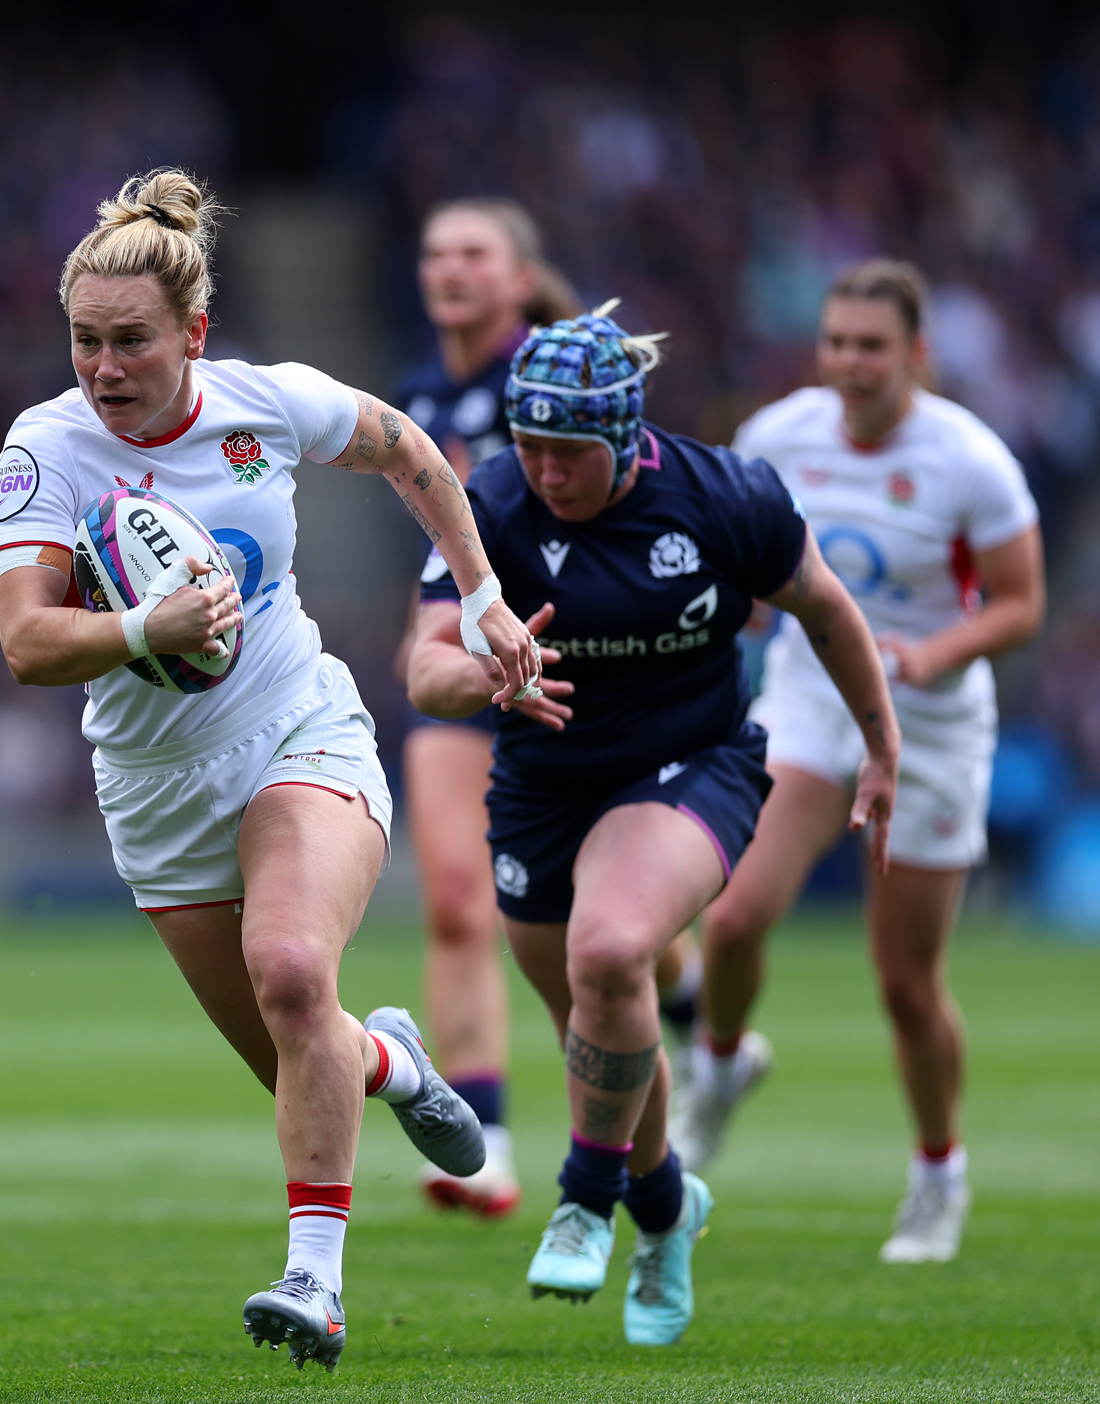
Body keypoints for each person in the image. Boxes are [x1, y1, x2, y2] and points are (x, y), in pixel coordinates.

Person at [0, 168, 544, 1372]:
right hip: (152, 790)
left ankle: (313, 1284)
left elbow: (411, 453)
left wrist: (483, 597)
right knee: (304, 1048)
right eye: (82, 341)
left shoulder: (268, 405)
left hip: (297, 728)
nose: (101, 367)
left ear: (192, 333)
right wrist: (148, 631)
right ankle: (390, 1054)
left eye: (129, 341)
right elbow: (27, 642)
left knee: (292, 969)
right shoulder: (44, 448)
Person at [409, 302, 899, 1346]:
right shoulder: (488, 501)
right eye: (529, 445)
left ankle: (585, 1198)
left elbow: (824, 609)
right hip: (542, 789)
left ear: (625, 436)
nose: (543, 470)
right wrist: (486, 670)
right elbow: (420, 668)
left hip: (695, 764)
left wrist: (881, 745)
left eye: (567, 452)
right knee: (601, 1020)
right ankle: (668, 1211)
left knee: (614, 945)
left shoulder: (724, 496)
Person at [678, 261, 1045, 1265]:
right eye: (834, 340)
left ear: (914, 354)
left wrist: (932, 652)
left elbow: (1019, 602)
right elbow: (738, 562)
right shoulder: (777, 434)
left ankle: (937, 1175)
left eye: (868, 345)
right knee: (738, 912)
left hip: (929, 719)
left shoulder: (969, 460)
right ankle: (715, 1068)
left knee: (903, 982)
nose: (846, 361)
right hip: (810, 694)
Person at [392, 198, 578, 1219]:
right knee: (458, 899)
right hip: (461, 669)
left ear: (518, 277)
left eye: (471, 252)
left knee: (595, 908)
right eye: (432, 253)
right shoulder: (421, 389)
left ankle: (679, 1004)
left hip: (562, 650)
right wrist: (415, 629)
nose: (447, 269)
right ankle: (485, 1137)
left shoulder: (555, 373)